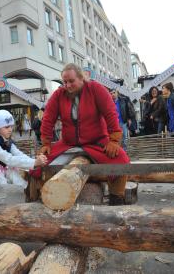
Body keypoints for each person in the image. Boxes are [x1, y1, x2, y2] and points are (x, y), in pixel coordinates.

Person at [34, 63, 130, 205]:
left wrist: (114, 140)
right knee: (42, 161)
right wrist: (46, 143)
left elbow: (111, 114)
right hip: (68, 143)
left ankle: (117, 198)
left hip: (97, 141)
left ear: (81, 78)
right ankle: (45, 196)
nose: (67, 85)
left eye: (71, 81)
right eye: (65, 82)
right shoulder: (59, 95)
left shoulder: (96, 89)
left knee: (121, 159)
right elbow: (48, 119)